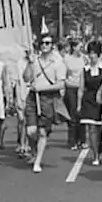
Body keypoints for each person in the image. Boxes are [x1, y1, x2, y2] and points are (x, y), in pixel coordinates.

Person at [23, 33, 69, 173]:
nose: (44, 45)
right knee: (31, 131)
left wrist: (42, 88)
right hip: (33, 97)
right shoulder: (34, 60)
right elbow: (26, 78)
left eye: (48, 43)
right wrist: (30, 63)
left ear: (52, 45)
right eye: (42, 43)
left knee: (43, 132)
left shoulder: (58, 62)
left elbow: (61, 84)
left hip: (48, 98)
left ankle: (37, 161)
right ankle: (33, 150)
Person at [79, 41, 102, 166]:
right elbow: (81, 88)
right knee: (91, 128)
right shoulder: (84, 70)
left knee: (99, 129)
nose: (92, 56)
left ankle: (99, 148)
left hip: (101, 100)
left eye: (94, 53)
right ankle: (95, 155)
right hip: (88, 100)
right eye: (90, 53)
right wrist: (79, 105)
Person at [62, 40, 86, 149]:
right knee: (72, 115)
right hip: (71, 88)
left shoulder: (84, 59)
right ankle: (72, 141)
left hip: (82, 88)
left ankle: (82, 139)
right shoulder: (67, 59)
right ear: (73, 47)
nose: (81, 49)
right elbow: (64, 75)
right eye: (79, 47)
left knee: (81, 114)